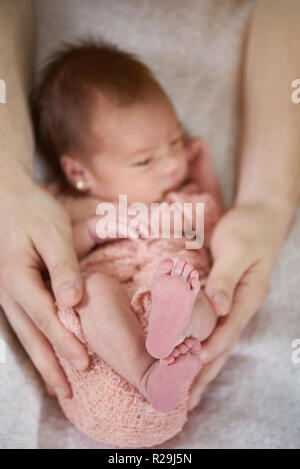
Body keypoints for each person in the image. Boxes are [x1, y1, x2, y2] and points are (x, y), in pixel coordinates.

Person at [0, 0, 299, 411]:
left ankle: (169, 332)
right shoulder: (67, 206)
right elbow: (57, 255)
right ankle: (146, 371)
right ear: (78, 171)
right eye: (145, 159)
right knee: (95, 293)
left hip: (171, 295)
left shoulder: (182, 195)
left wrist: (207, 176)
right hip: (109, 317)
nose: (173, 162)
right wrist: (98, 228)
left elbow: (210, 221)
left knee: (200, 298)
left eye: (175, 140)